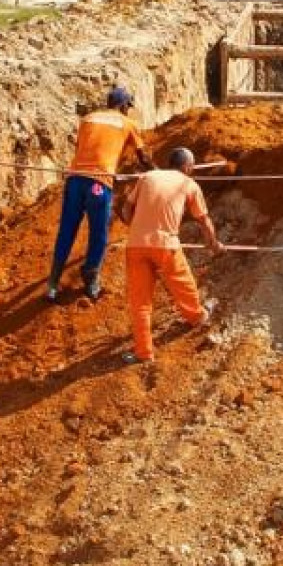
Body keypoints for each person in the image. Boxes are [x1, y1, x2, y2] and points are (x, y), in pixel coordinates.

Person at [118, 148, 228, 364]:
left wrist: (135, 228)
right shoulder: (188, 184)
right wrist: (214, 244)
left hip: (135, 245)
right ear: (187, 167)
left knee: (140, 302)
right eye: (192, 166)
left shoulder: (147, 176)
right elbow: (203, 220)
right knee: (182, 282)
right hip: (165, 244)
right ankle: (197, 316)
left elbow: (126, 207)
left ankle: (144, 353)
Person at [48, 87, 152, 302]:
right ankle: (92, 278)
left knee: (67, 230)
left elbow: (85, 149)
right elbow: (143, 157)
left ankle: (53, 283)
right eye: (127, 108)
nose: (127, 111)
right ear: (123, 106)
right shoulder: (128, 124)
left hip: (75, 180)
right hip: (99, 184)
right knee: (99, 233)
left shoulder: (87, 119)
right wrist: (157, 172)